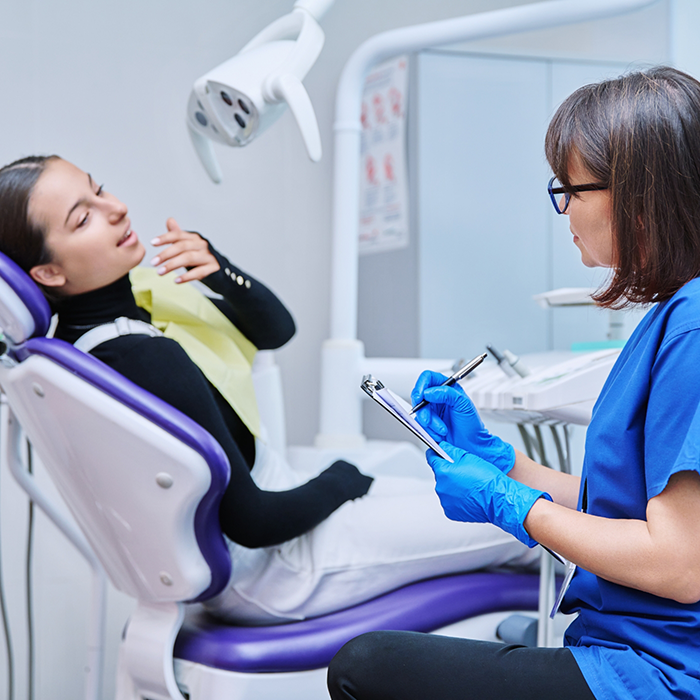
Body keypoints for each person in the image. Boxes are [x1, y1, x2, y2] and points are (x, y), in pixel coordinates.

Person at [0, 154, 537, 625]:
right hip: (278, 564)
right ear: (46, 272)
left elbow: (276, 330)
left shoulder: (105, 329)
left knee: (491, 497)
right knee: (535, 529)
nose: (113, 206)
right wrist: (345, 478)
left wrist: (218, 268)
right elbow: (254, 521)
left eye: (97, 188)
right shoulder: (140, 355)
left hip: (267, 535)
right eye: (83, 217)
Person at [328, 66, 700, 700]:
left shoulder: (692, 327)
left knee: (365, 666)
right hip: (629, 644)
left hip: (660, 674)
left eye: (571, 189)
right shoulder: (672, 313)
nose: (564, 208)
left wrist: (511, 506)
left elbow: (678, 563)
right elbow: (628, 508)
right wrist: (503, 463)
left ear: (637, 196)